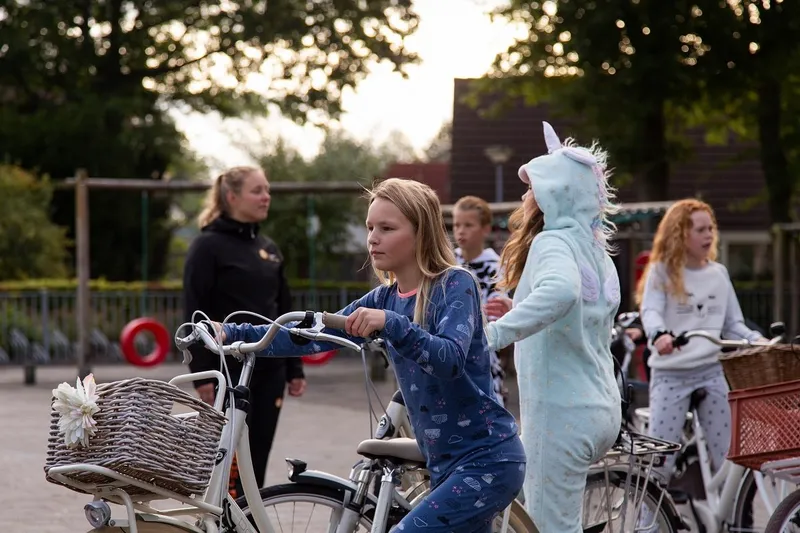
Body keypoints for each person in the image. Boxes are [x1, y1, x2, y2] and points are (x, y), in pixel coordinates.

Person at [216, 178, 526, 532]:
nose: (373, 238)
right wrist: (231, 332)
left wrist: (393, 324)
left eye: (387, 228)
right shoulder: (384, 297)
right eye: (370, 227)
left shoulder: (455, 283)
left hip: (488, 460)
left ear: (421, 232)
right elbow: (310, 336)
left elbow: (449, 359)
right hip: (442, 465)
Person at [483, 122, 622, 533]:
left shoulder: (552, 242)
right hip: (600, 407)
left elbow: (561, 292)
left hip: (561, 416)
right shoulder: (594, 248)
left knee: (548, 527)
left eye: (532, 188)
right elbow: (580, 312)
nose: (524, 196)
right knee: (526, 513)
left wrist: (493, 334)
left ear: (553, 195)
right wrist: (520, 307)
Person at [183, 165, 306, 498]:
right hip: (227, 369)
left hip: (270, 370)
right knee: (229, 459)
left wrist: (294, 367)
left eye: (267, 190)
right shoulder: (207, 246)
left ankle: (248, 519)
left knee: (258, 456)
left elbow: (284, 311)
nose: (266, 197)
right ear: (232, 196)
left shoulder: (270, 248)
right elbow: (194, 311)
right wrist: (201, 374)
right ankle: (223, 518)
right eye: (257, 191)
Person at [636, 198, 766, 481]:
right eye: (700, 230)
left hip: (711, 372)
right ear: (680, 233)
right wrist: (659, 335)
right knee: (659, 463)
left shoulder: (718, 274)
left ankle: (730, 510)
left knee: (728, 460)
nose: (708, 235)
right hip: (671, 374)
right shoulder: (662, 272)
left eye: (711, 228)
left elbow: (733, 325)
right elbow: (651, 311)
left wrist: (761, 342)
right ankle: (648, 511)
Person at [452, 195, 508, 406]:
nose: (461, 231)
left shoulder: (495, 267)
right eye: (457, 225)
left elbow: (495, 312)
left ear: (485, 229)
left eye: (468, 225)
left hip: (483, 354)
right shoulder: (447, 262)